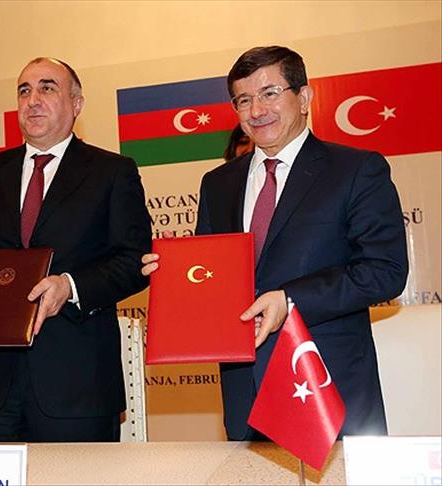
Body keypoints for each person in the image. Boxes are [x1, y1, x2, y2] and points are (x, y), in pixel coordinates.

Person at [142, 46, 408, 440]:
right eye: (243, 100)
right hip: (244, 391)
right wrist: (177, 273)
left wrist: (290, 300)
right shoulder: (217, 183)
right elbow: (216, 280)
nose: (256, 110)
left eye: (269, 93)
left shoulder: (356, 169)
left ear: (304, 97)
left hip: (327, 384)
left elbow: (385, 272)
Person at [0, 57, 151, 442]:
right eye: (24, 91)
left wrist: (70, 286)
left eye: (47, 88)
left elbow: (133, 261)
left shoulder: (112, 172)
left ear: (76, 104)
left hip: (77, 383)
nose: (33, 100)